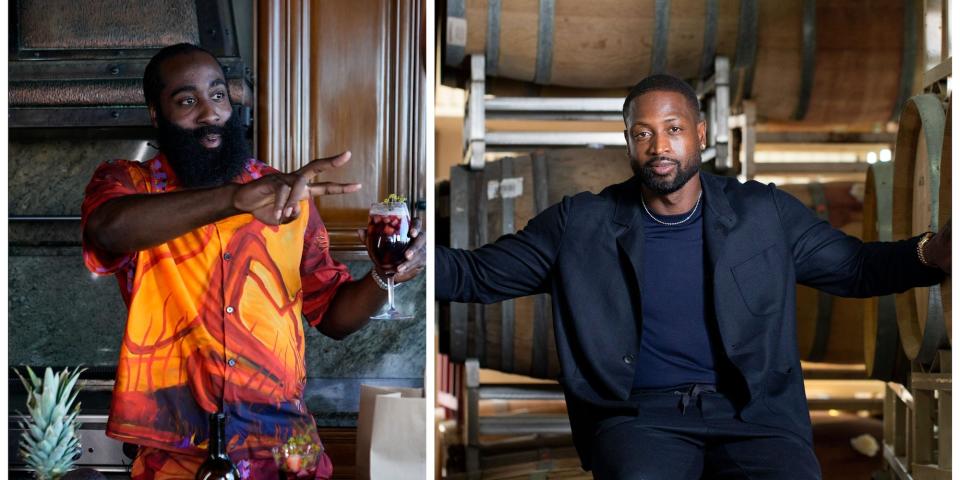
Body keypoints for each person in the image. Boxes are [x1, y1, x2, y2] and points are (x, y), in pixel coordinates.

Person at [435, 74, 950, 479]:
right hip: (639, 419)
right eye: (644, 133)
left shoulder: (763, 213)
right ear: (629, 142)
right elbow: (476, 275)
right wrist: (411, 259)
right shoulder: (580, 224)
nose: (660, 145)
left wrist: (934, 251)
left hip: (754, 416)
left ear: (699, 134)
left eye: (674, 129)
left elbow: (857, 268)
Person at [81, 43, 425, 479]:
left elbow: (334, 316)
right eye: (187, 101)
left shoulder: (286, 195)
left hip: (285, 445)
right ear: (156, 113)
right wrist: (234, 199)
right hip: (177, 448)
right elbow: (109, 229)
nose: (209, 113)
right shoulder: (129, 183)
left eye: (218, 95)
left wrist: (384, 276)